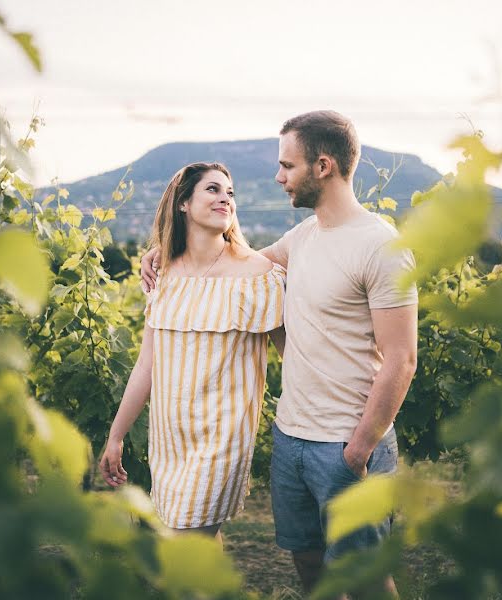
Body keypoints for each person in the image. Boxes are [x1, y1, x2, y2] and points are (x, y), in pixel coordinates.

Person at [142, 111, 418, 594]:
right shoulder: (302, 238)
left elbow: (402, 359)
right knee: (309, 568)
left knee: (368, 579)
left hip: (345, 445)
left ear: (324, 166)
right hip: (291, 439)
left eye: (287, 166)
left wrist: (360, 448)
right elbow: (230, 263)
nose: (278, 176)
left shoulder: (381, 247)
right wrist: (165, 253)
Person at [99, 162, 286, 541]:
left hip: (222, 438)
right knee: (195, 546)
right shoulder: (164, 275)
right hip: (170, 438)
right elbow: (146, 364)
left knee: (187, 541)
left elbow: (294, 358)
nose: (225, 199)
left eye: (230, 193)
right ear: (183, 202)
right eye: (213, 190)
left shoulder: (259, 275)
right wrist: (116, 436)